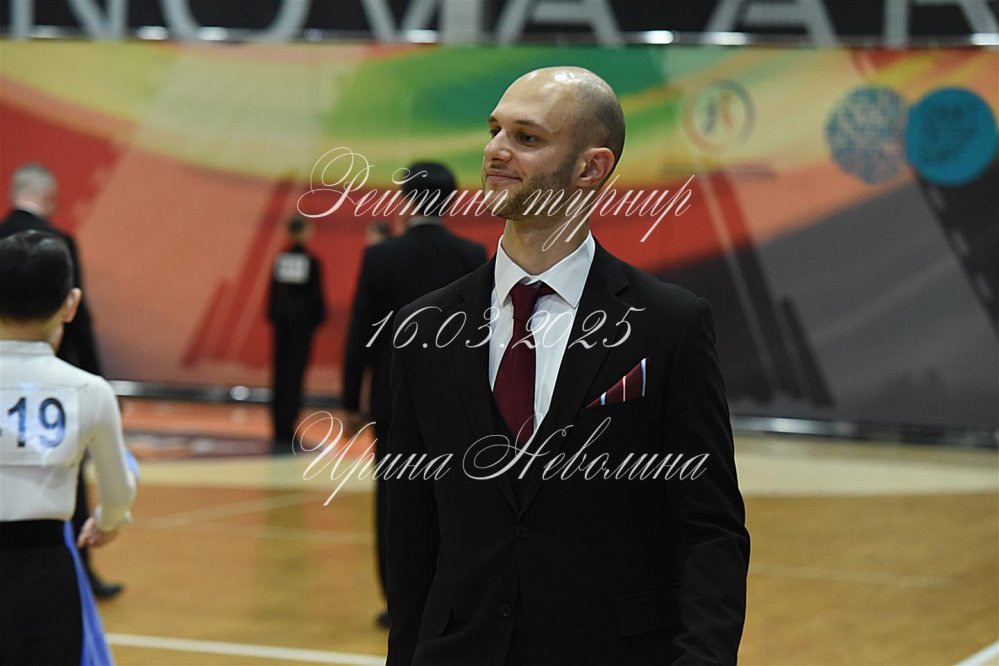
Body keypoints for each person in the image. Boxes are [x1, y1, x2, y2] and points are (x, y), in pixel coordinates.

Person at [384, 68, 749, 665]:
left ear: (590, 168)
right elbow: (409, 529)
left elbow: (710, 528)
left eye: (527, 137)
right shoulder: (423, 328)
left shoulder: (668, 324)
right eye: (495, 130)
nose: (496, 150)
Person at [342, 162, 487, 628]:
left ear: (405, 198)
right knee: (454, 499)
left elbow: (361, 333)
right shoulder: (472, 254)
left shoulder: (381, 257)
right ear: (450, 199)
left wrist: (350, 401)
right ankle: (448, 597)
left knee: (393, 503)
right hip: (457, 401)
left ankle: (398, 601)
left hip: (393, 401)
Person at [0, 231, 137, 664]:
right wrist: (109, 521)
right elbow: (118, 491)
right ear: (71, 304)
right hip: (44, 574)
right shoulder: (90, 391)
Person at [0, 163, 124, 600]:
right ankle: (83, 569)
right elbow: (82, 325)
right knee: (67, 471)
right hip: (55, 375)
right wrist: (94, 376)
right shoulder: (58, 245)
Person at [267, 216, 327, 453]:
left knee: (281, 374)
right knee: (294, 375)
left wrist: (278, 315)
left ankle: (280, 425)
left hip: (283, 325)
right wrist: (315, 321)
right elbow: (317, 297)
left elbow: (272, 295)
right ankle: (288, 424)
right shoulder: (311, 262)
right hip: (301, 327)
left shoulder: (281, 259)